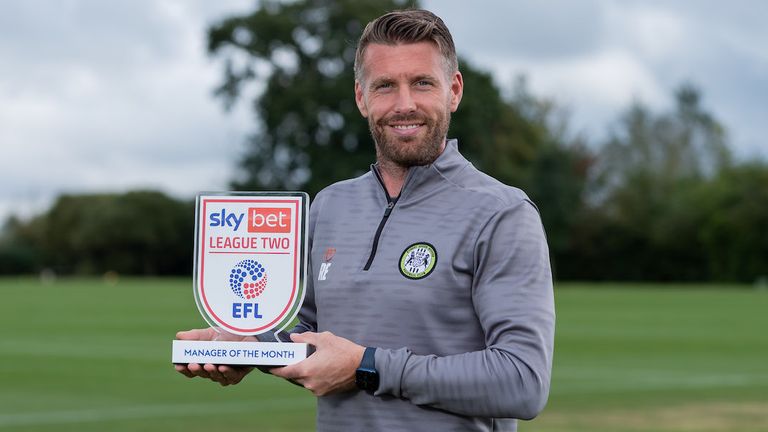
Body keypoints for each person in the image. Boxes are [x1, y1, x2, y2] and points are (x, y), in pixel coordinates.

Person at [176, 8, 555, 431]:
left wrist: (367, 367)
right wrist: (247, 346)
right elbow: (314, 340)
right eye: (386, 86)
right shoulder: (330, 206)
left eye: (423, 83)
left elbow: (523, 381)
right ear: (361, 97)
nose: (404, 104)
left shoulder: (502, 213)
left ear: (454, 90)